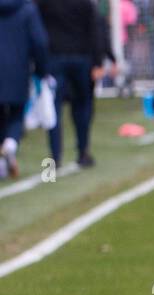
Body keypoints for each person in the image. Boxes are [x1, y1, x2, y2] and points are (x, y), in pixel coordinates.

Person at [36, 0, 98, 167]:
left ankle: (55, 155)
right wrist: (97, 61)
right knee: (82, 105)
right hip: (80, 58)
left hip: (55, 57)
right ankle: (83, 150)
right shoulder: (85, 3)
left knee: (54, 107)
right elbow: (93, 31)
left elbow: (38, 30)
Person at [0, 0, 49, 178]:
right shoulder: (27, 9)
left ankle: (3, 160)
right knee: (16, 113)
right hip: (17, 70)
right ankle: (10, 145)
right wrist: (42, 69)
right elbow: (39, 41)